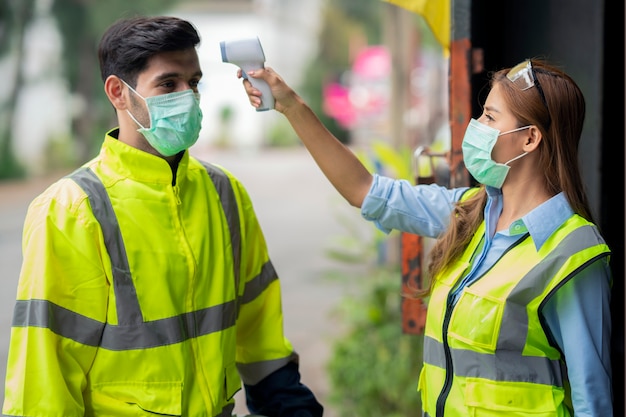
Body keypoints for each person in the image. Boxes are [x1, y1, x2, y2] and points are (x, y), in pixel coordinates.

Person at [238, 59, 613, 416]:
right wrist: (290, 105)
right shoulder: (469, 214)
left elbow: (591, 396)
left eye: (490, 117)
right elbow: (363, 189)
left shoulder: (572, 252)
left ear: (530, 139)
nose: (476, 125)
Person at [3, 16, 323, 417]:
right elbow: (43, 375)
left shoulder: (224, 194)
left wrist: (288, 404)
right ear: (119, 92)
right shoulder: (72, 210)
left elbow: (259, 332)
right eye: (168, 84)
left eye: (194, 82)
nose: (187, 96)